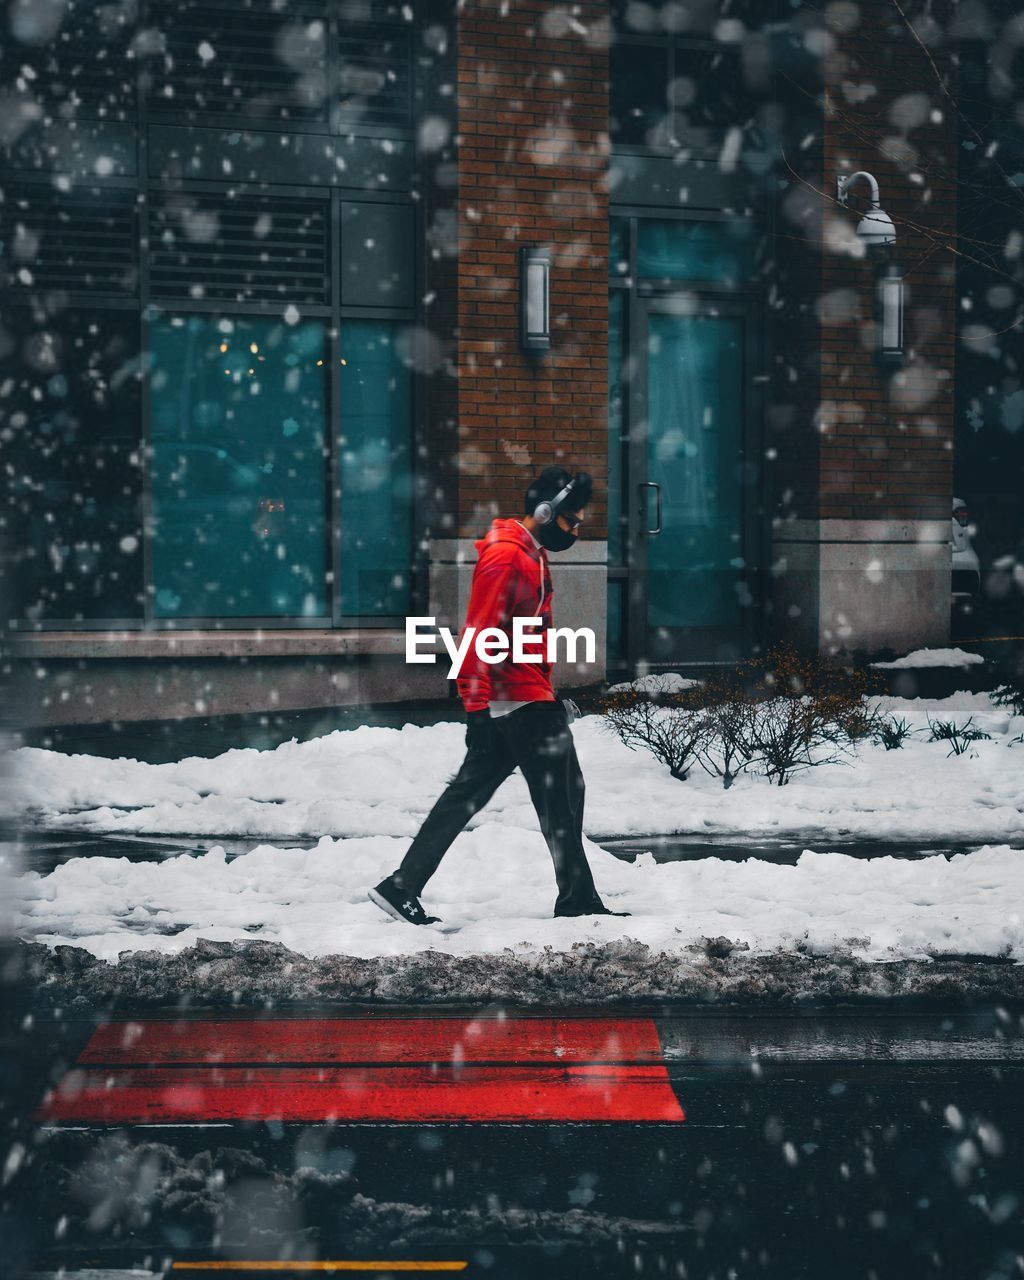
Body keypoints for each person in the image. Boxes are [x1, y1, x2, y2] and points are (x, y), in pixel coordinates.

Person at [369, 465, 629, 926]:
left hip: (521, 697)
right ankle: (578, 900)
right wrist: (477, 706)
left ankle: (402, 886)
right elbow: (480, 629)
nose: (575, 529)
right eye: (572, 520)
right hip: (518, 702)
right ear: (546, 512)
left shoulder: (527, 552)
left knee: (496, 794)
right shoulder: (507, 557)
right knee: (561, 799)